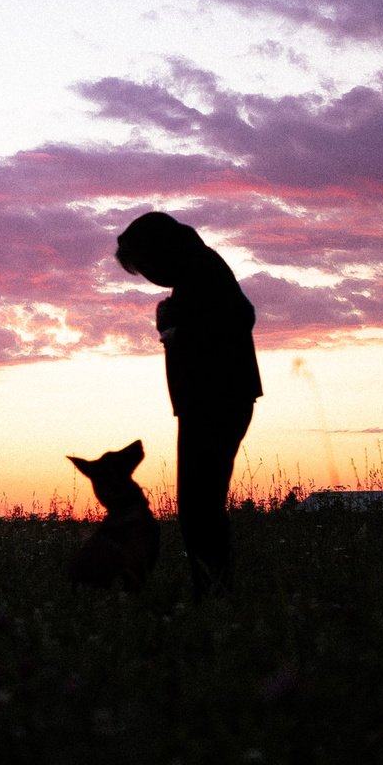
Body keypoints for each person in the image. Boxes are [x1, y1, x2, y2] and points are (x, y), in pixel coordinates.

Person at [114, 211, 261, 597]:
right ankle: (212, 591)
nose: (149, 276)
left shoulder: (201, 269)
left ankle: (213, 593)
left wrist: (175, 330)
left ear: (158, 251)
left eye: (145, 266)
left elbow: (240, 317)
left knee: (199, 506)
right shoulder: (197, 270)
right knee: (200, 505)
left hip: (215, 401)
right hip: (209, 401)